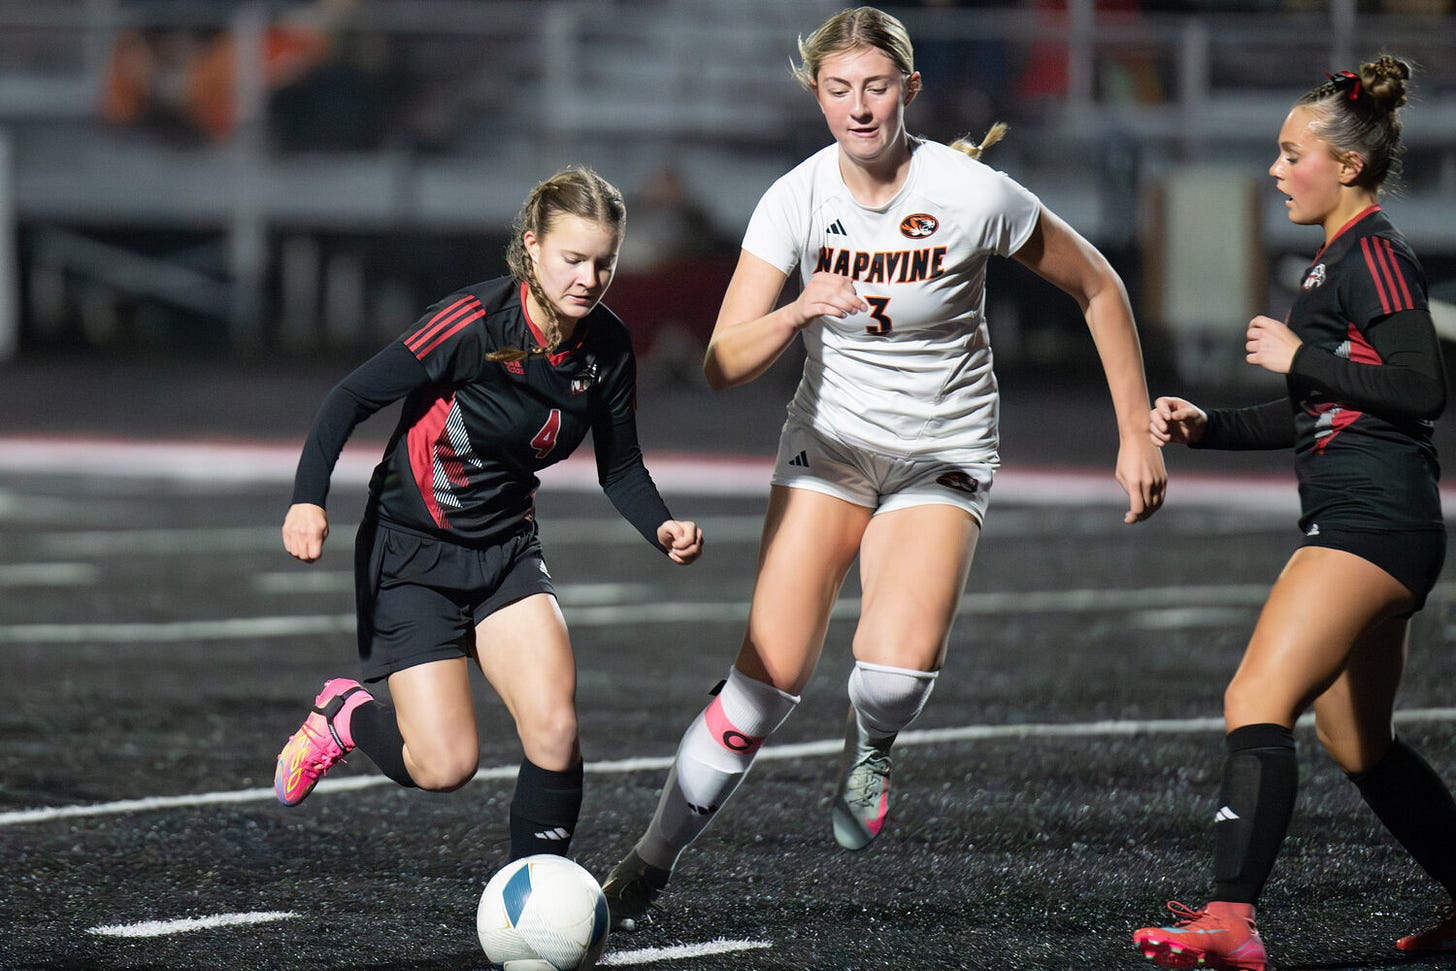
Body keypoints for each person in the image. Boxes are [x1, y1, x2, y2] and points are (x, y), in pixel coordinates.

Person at [601, 5, 1166, 930]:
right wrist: (797, 311)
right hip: (828, 445)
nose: (858, 108)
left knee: (893, 676)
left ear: (908, 89)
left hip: (943, 451)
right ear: (815, 96)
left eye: (874, 87)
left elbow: (1098, 284)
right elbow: (719, 361)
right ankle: (649, 859)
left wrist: (1134, 429)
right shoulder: (795, 197)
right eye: (837, 90)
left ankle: (871, 741)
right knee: (758, 690)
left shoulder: (971, 192)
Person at [271, 165, 704, 866]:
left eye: (605, 261)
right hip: (411, 554)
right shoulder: (473, 322)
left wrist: (661, 525)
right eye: (573, 258)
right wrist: (307, 499)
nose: (589, 278)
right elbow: (349, 397)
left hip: (505, 552)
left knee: (556, 728)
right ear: (531, 246)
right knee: (444, 765)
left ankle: (539, 898)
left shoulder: (609, 346)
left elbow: (619, 466)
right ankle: (344, 715)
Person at [1132, 57, 1456, 971]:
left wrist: (1295, 357)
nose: (1275, 171)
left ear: (1346, 166)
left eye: (1291, 153)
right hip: (1379, 520)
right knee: (1356, 738)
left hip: (1371, 520)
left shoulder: (1374, 252)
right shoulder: (1333, 261)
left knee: (1255, 699)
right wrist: (1211, 427)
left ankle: (1231, 916)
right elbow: (1321, 410)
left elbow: (1423, 385)